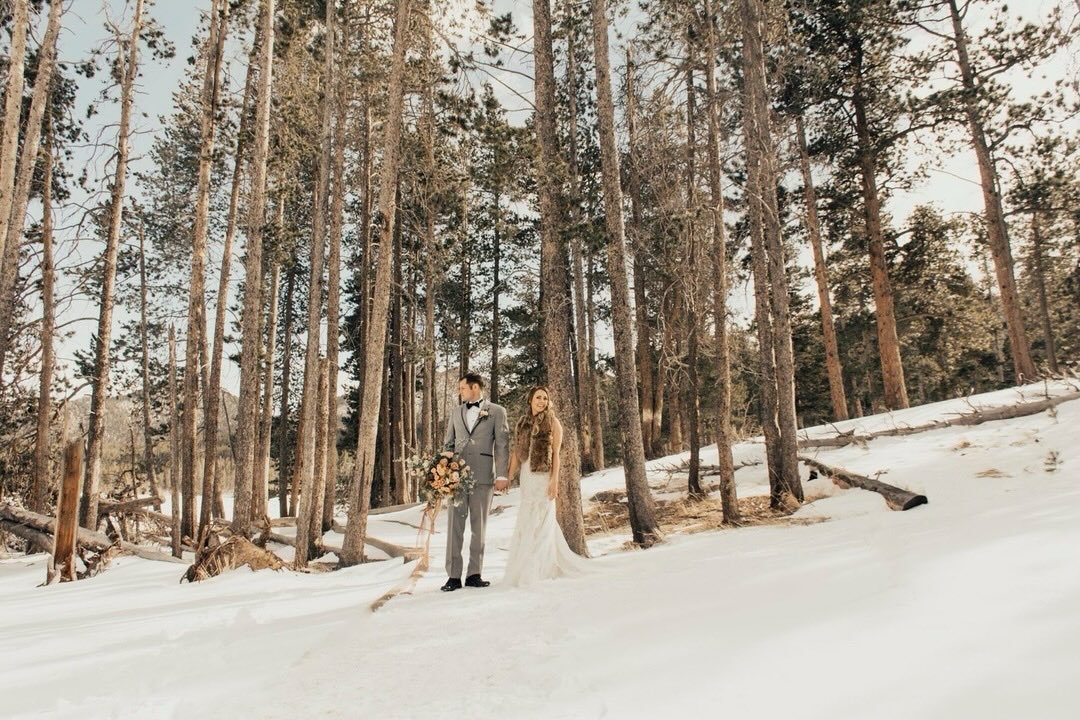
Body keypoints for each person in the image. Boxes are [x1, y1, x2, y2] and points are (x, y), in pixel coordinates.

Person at [503, 386, 590, 587]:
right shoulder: (522, 423)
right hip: (527, 477)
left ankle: (540, 568)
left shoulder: (553, 422)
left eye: (544, 398)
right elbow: (516, 452)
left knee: (542, 519)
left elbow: (556, 455)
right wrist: (509, 476)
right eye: (538, 398)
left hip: (543, 476)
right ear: (530, 400)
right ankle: (523, 564)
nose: (541, 401)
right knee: (527, 518)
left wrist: (554, 480)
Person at [440, 372, 510, 592]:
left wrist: (502, 475)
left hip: (483, 476)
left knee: (479, 528)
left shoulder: (497, 411)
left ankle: (474, 574)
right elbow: (448, 444)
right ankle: (453, 576)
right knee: (454, 527)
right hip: (456, 478)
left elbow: (502, 445)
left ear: (475, 388)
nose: (460, 392)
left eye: (462, 388)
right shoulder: (455, 412)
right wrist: (443, 473)